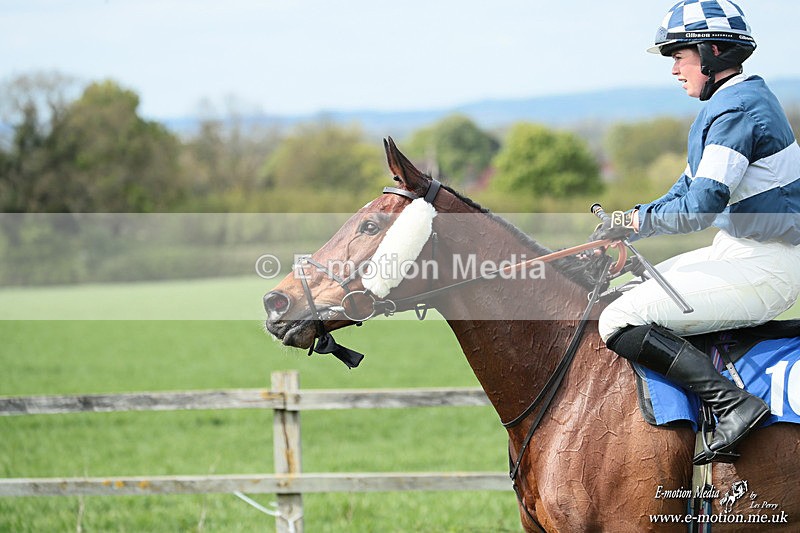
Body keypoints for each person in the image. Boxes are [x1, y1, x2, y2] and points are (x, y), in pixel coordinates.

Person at [595, 0, 800, 465]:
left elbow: (700, 207)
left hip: (763, 264)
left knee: (618, 320)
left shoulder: (736, 113)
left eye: (679, 54)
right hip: (739, 251)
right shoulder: (731, 102)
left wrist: (632, 223)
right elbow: (686, 189)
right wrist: (628, 223)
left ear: (712, 52)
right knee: (627, 295)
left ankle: (733, 404)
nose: (673, 68)